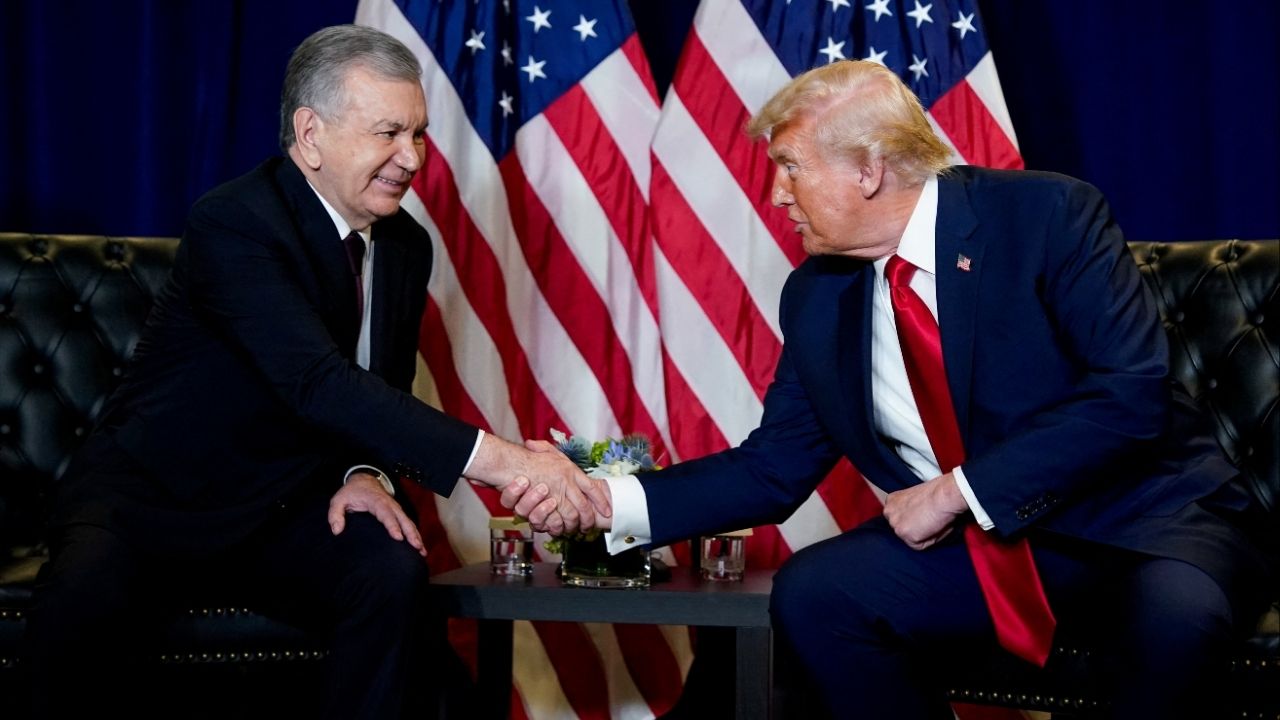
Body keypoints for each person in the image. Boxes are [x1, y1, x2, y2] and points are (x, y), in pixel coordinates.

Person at [505, 59, 1275, 719]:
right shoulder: (819, 296)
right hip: (996, 550)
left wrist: (954, 491)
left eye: (792, 166)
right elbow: (772, 468)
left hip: (1146, 523)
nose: (777, 193)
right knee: (816, 594)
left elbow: (1128, 397)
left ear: (868, 168)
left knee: (1175, 624)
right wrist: (609, 503)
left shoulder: (1047, 216)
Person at [23, 24, 608, 720]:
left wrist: (365, 474)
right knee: (81, 602)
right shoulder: (236, 223)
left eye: (418, 134)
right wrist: (511, 464)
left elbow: (375, 388)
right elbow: (317, 382)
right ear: (309, 134)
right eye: (388, 132)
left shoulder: (404, 245)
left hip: (283, 508)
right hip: (155, 500)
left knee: (388, 571)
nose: (411, 157)